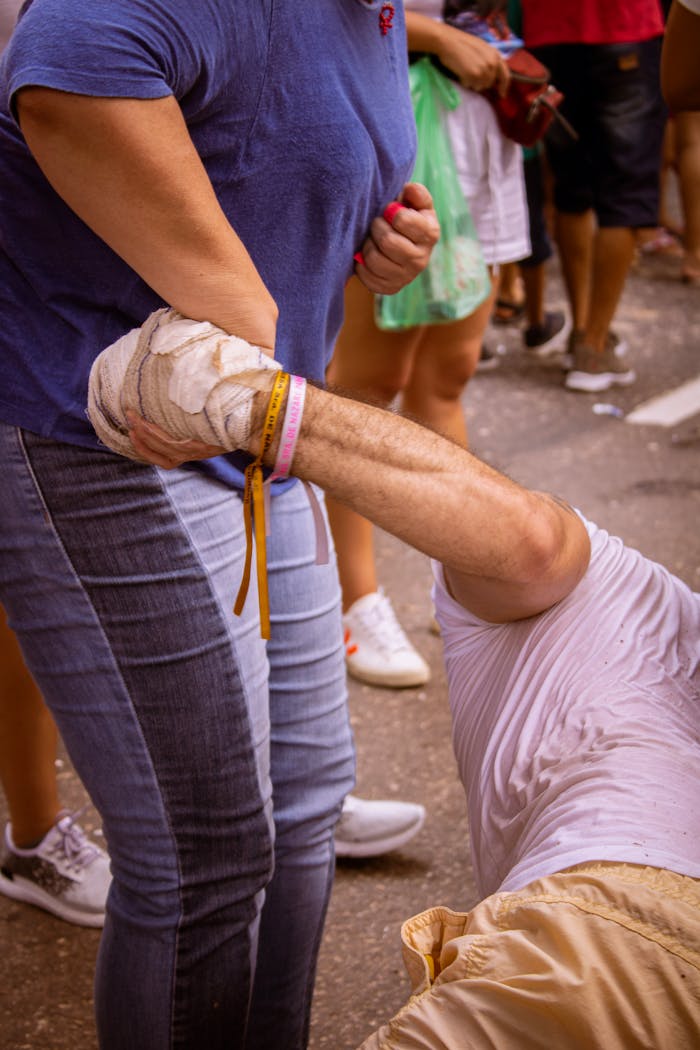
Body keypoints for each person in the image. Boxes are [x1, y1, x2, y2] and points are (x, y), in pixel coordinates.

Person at [0, 3, 440, 1047]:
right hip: (95, 429)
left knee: (300, 816)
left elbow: (274, 155)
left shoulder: (367, 10)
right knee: (204, 855)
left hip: (248, 428)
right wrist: (249, 319)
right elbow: (70, 64)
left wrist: (376, 235)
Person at [91, 314, 699, 1050]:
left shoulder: (630, 608)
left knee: (282, 818)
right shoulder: (639, 611)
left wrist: (234, 395)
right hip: (621, 929)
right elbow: (528, 546)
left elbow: (532, 545)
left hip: (629, 931)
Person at [327, 0, 531, 689]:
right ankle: (356, 602)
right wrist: (439, 36)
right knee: (365, 386)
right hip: (395, 123)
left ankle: (464, 583)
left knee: (448, 377)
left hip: (473, 135)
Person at [520, 0, 668, 393]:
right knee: (626, 194)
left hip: (551, 33)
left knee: (572, 189)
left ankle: (583, 328)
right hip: (623, 27)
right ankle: (594, 344)